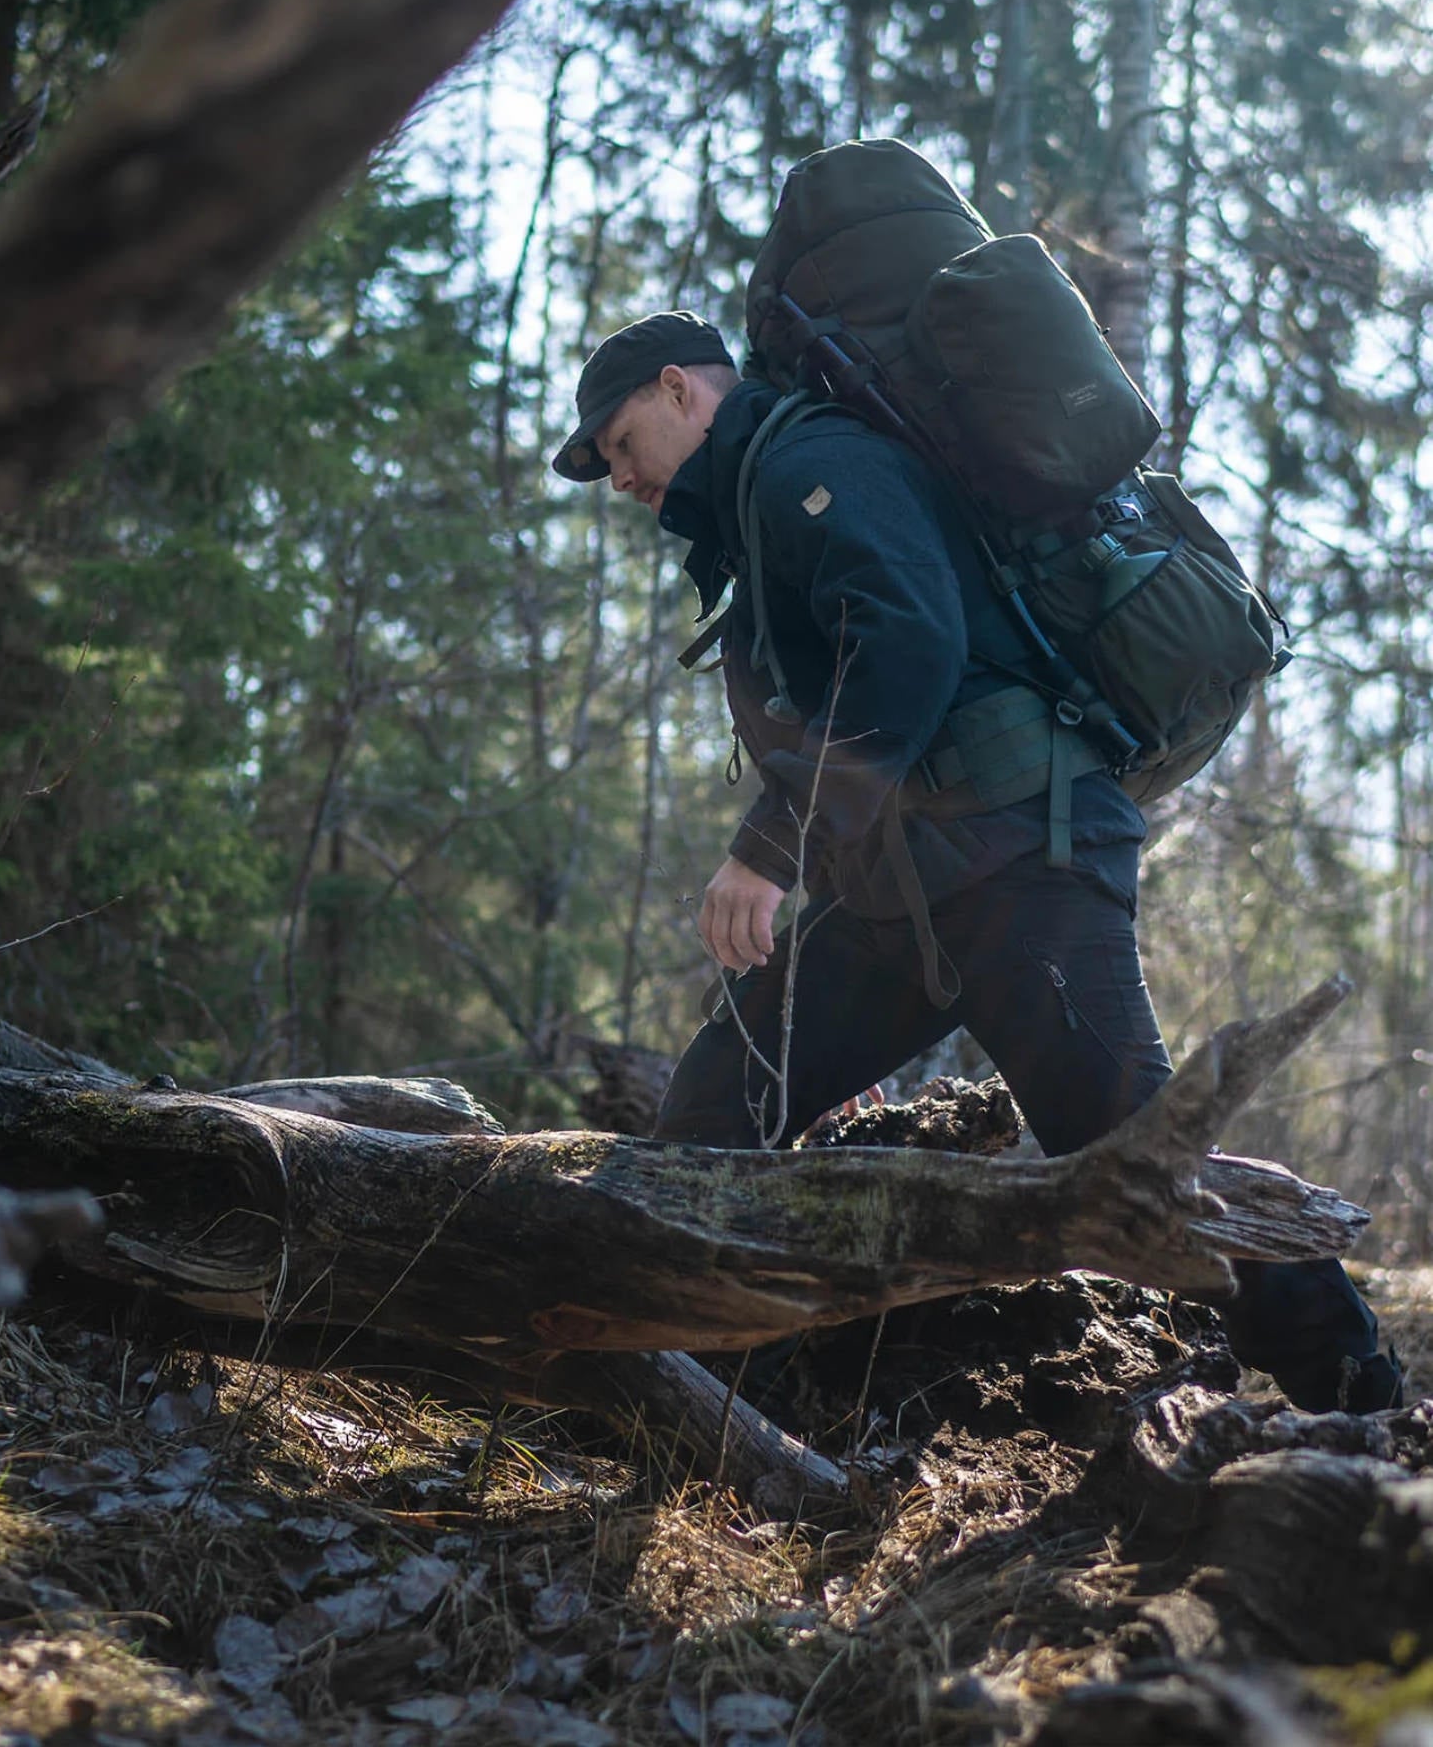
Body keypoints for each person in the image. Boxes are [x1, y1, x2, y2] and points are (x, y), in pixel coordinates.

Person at [553, 308, 1403, 1415]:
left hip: (1020, 869)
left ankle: (1362, 1397)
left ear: (679, 389)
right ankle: (709, 1401)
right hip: (900, 894)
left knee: (1144, 1163)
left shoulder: (807, 461)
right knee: (718, 1106)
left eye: (620, 445)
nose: (619, 478)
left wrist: (767, 849)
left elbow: (907, 644)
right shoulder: (762, 498)